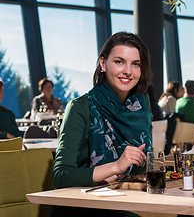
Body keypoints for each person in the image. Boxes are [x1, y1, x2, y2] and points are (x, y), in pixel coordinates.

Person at [51, 32, 152, 217]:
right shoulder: (80, 107)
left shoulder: (140, 106)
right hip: (79, 208)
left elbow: (139, 168)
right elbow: (61, 177)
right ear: (103, 64)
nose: (128, 71)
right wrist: (116, 166)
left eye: (135, 64)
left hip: (120, 201)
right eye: (119, 62)